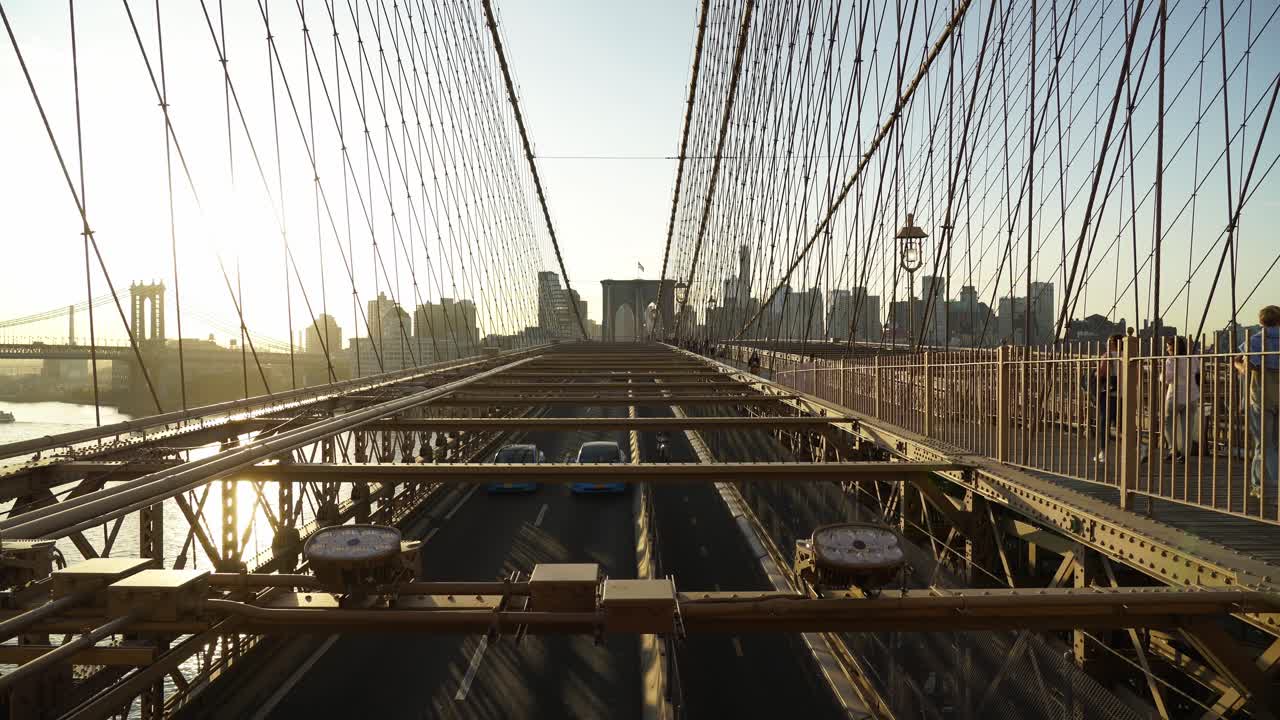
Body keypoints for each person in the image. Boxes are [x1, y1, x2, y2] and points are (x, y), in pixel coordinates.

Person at [1235, 306, 1280, 498]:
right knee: (1270, 444)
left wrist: (1237, 364)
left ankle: (1276, 485)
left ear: (1261, 322)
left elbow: (1248, 366)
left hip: (1262, 395)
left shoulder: (1255, 340)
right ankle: (1257, 484)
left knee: (1264, 443)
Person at [1162, 336, 1201, 462]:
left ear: (1173, 347)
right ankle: (1185, 454)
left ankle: (1173, 449)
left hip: (1175, 396)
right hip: (1192, 395)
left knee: (1167, 422)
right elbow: (1198, 374)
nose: (1167, 349)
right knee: (1188, 426)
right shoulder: (1194, 359)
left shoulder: (1171, 360)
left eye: (1168, 347)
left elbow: (1167, 379)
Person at [1094, 334, 1124, 463]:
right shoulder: (1127, 355)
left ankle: (1103, 453)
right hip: (1124, 395)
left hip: (1110, 395)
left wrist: (1095, 372)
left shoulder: (1107, 356)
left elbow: (1100, 374)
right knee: (1123, 426)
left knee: (1104, 424)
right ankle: (1140, 447)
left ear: (1112, 343)